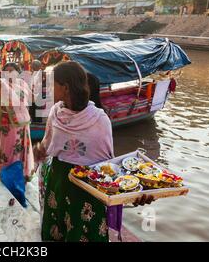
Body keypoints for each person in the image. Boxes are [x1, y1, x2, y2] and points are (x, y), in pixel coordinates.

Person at [33, 61, 153, 242]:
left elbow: (109, 167)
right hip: (58, 185)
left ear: (65, 87)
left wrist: (134, 191)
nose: (48, 89)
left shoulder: (100, 120)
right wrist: (38, 151)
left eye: (52, 84)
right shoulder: (55, 113)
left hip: (87, 190)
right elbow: (47, 145)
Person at [0, 62, 34, 207]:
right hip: (8, 128)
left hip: (23, 127)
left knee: (22, 153)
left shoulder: (22, 85)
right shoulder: (1, 85)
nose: (9, 74)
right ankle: (9, 180)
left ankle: (21, 177)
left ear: (18, 72)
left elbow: (31, 100)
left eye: (13, 71)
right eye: (6, 72)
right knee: (9, 154)